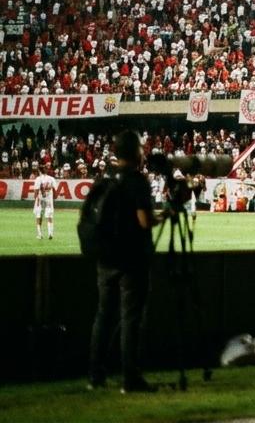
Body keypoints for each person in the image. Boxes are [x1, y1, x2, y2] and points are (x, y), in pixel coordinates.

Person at [88, 131, 156, 393]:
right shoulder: (136, 180)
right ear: (136, 152)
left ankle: (95, 376)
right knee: (130, 318)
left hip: (105, 258)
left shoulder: (105, 178)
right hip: (131, 258)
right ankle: (130, 378)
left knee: (103, 316)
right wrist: (164, 216)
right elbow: (143, 221)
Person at [33, 167, 58, 239]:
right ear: (46, 171)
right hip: (49, 200)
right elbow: (55, 191)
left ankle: (40, 234)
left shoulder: (38, 179)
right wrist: (53, 197)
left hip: (40, 200)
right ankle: (50, 233)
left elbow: (36, 191)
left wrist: (36, 198)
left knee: (38, 216)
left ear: (39, 171)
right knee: (49, 216)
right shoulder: (51, 179)